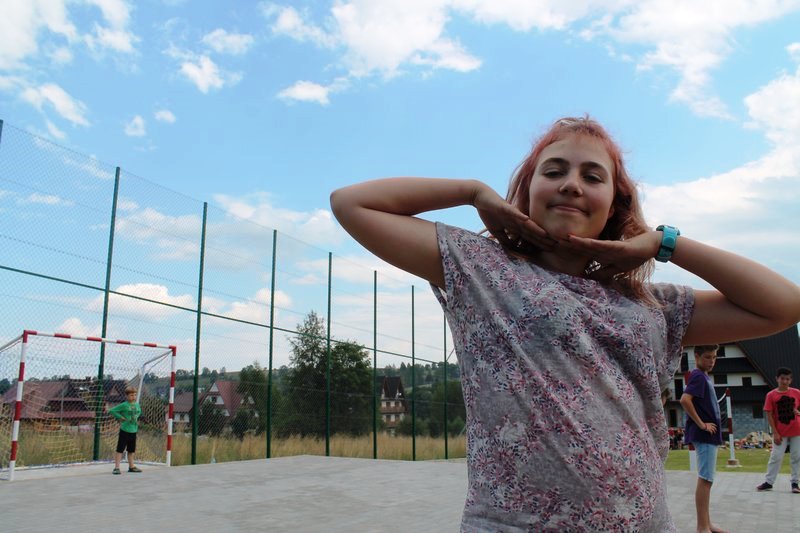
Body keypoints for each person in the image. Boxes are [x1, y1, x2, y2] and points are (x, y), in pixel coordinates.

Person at [329, 116, 800, 531]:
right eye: (553, 171)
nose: (572, 184)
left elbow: (783, 305)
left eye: (592, 176)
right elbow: (352, 204)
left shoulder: (651, 304)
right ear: (527, 191)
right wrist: (471, 192)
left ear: (614, 204)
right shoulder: (482, 269)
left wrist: (664, 242)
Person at [679, 345, 726, 533]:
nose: (711, 361)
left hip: (709, 436)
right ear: (696, 356)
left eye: (714, 357)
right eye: (707, 357)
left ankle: (707, 523)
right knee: (705, 479)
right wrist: (702, 424)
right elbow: (685, 400)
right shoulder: (698, 376)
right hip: (705, 435)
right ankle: (702, 527)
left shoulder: (703, 376)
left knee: (707, 480)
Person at [756, 367, 800, 493]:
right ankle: (769, 482)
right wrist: (775, 432)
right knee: (776, 456)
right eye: (782, 378)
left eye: (787, 379)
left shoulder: (797, 392)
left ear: (791, 380)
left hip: (797, 430)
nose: (784, 381)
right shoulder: (771, 395)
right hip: (780, 431)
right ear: (777, 379)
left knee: (797, 457)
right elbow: (769, 415)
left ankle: (795, 483)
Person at [109, 386, 143, 474]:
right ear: (127, 396)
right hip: (125, 430)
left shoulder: (137, 405)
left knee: (131, 450)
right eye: (131, 395)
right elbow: (112, 410)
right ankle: (116, 468)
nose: (133, 397)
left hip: (133, 431)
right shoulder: (124, 405)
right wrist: (120, 417)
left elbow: (139, 411)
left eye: (135, 395)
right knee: (120, 449)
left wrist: (136, 418)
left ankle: (131, 467)